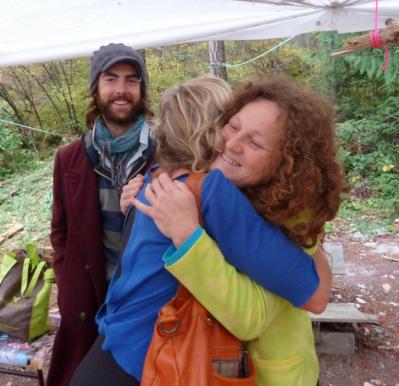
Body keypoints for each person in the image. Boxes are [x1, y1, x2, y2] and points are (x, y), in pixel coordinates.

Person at [70, 74, 338, 386]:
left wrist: (312, 237)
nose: (232, 144)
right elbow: (307, 285)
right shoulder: (207, 190)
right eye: (232, 126)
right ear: (212, 127)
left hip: (113, 349)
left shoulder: (162, 176)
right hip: (141, 361)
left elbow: (313, 295)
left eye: (255, 141)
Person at [48, 43, 154, 386]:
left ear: (141, 89)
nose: (121, 90)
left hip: (145, 304)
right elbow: (60, 232)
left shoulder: (165, 154)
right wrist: (67, 286)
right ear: (96, 88)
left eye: (131, 80)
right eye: (111, 79)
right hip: (88, 300)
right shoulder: (70, 159)